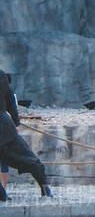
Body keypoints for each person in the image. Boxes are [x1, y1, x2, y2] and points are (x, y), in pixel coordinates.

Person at [0, 71, 51, 201]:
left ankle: (45, 188)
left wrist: (15, 122)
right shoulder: (1, 76)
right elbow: (10, 100)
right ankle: (45, 188)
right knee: (28, 159)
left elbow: (9, 99)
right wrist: (16, 122)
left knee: (28, 159)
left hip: (4, 127)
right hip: (4, 126)